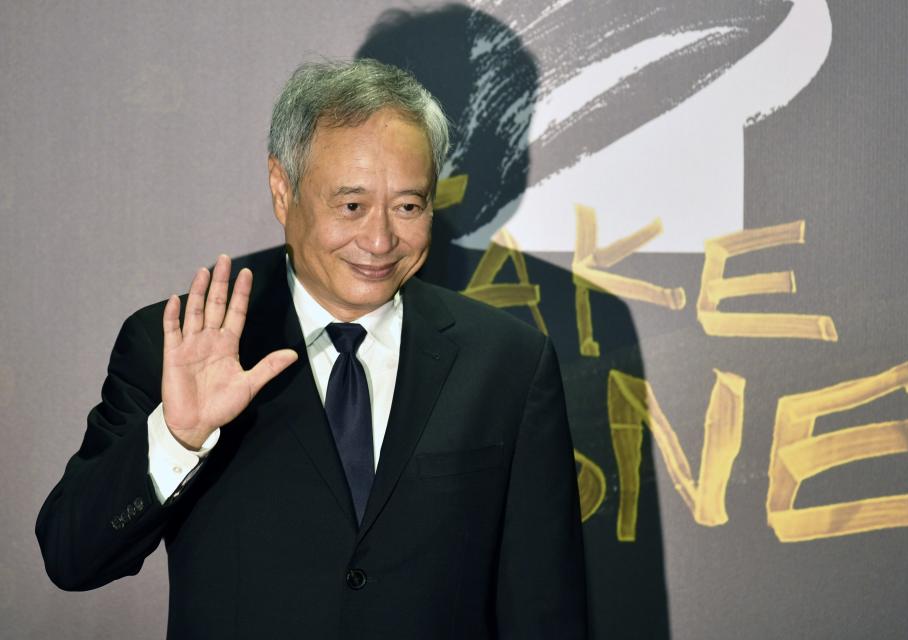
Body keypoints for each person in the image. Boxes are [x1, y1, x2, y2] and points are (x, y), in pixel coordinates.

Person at [35, 59, 587, 639]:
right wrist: (177, 438)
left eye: (408, 206)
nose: (379, 241)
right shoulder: (180, 343)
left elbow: (546, 611)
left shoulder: (508, 364)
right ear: (282, 189)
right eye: (351, 206)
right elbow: (72, 558)